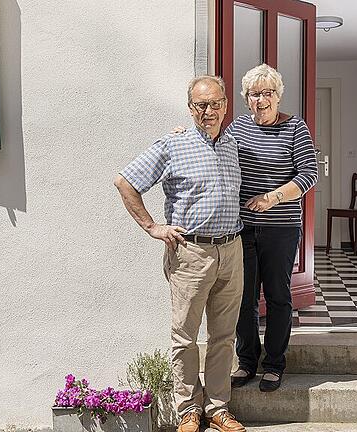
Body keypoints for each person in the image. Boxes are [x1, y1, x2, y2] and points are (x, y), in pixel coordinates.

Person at [114, 76, 246, 432]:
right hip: (190, 253)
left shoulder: (233, 143)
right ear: (190, 109)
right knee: (185, 337)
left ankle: (218, 408)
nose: (210, 111)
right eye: (201, 105)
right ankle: (188, 409)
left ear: (225, 105)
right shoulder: (173, 146)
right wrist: (153, 227)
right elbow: (125, 182)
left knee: (223, 336)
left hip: (231, 251)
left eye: (216, 103)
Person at [228, 64, 319, 392]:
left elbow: (309, 174)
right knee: (244, 298)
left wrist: (273, 197)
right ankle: (247, 362)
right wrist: (187, 135)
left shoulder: (295, 127)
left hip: (281, 228)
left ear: (278, 97)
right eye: (255, 94)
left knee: (279, 296)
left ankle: (274, 364)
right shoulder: (237, 128)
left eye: (268, 93)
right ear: (246, 98)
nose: (262, 99)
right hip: (243, 229)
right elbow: (216, 154)